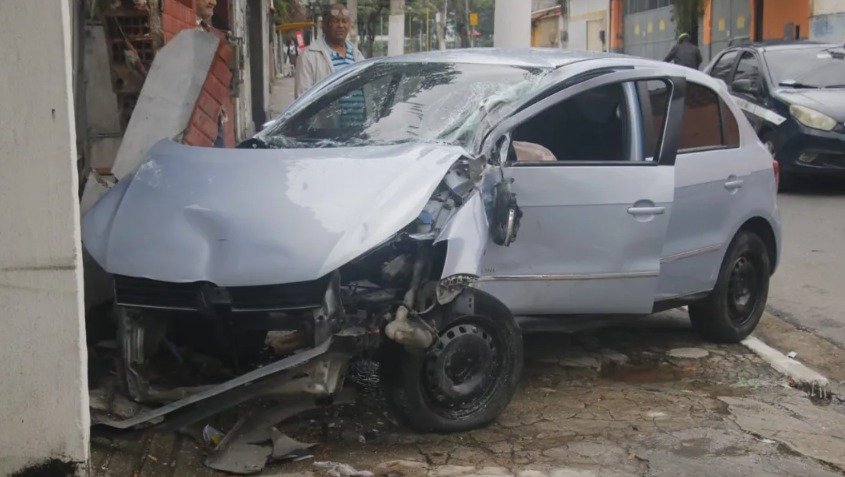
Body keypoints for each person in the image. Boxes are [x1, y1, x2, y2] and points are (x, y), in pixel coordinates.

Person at [294, 3, 365, 99]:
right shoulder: (308, 57)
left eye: (344, 21)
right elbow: (302, 99)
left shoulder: (357, 55)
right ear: (325, 25)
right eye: (335, 21)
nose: (341, 25)